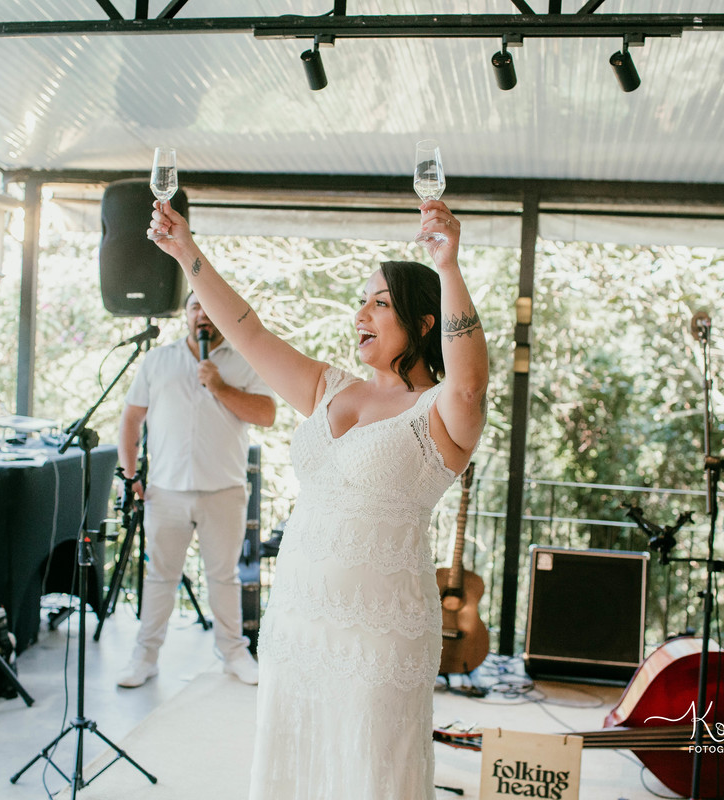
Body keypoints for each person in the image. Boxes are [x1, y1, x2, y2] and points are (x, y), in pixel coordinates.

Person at [148, 197, 488, 799]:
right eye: (362, 299)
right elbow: (247, 329)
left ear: (425, 321)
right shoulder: (329, 386)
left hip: (380, 635)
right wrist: (185, 251)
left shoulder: (439, 411)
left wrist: (449, 267)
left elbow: (468, 381)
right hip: (297, 622)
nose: (361, 313)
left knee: (369, 772)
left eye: (380, 302)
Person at [115, 292, 277, 688]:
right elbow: (131, 418)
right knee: (159, 579)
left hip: (224, 489)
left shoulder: (245, 360)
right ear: (186, 314)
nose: (202, 313)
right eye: (195, 307)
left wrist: (220, 387)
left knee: (224, 578)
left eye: (209, 306)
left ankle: (235, 655)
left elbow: (267, 414)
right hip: (165, 492)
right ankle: (145, 657)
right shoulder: (158, 360)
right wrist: (130, 473)